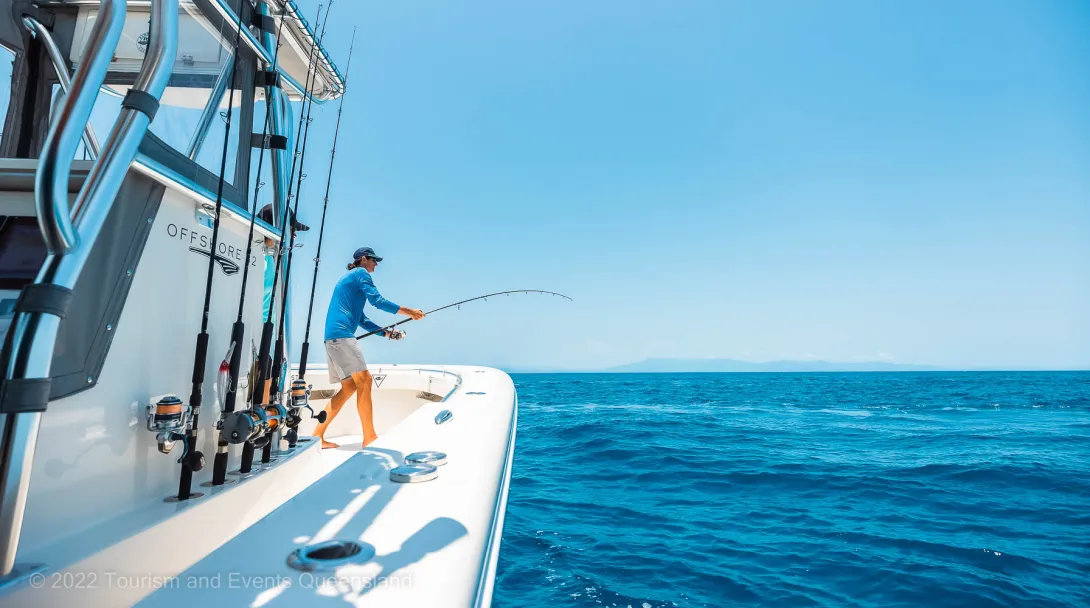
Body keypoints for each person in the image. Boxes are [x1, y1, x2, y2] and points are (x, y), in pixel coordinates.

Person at [313, 246, 424, 448]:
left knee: (349, 387)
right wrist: (410, 312)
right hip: (342, 336)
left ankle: (317, 436)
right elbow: (378, 301)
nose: (376, 264)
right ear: (363, 259)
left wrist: (387, 333)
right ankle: (369, 437)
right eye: (373, 259)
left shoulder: (351, 279)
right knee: (364, 380)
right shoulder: (361, 274)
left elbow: (362, 319)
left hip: (332, 338)